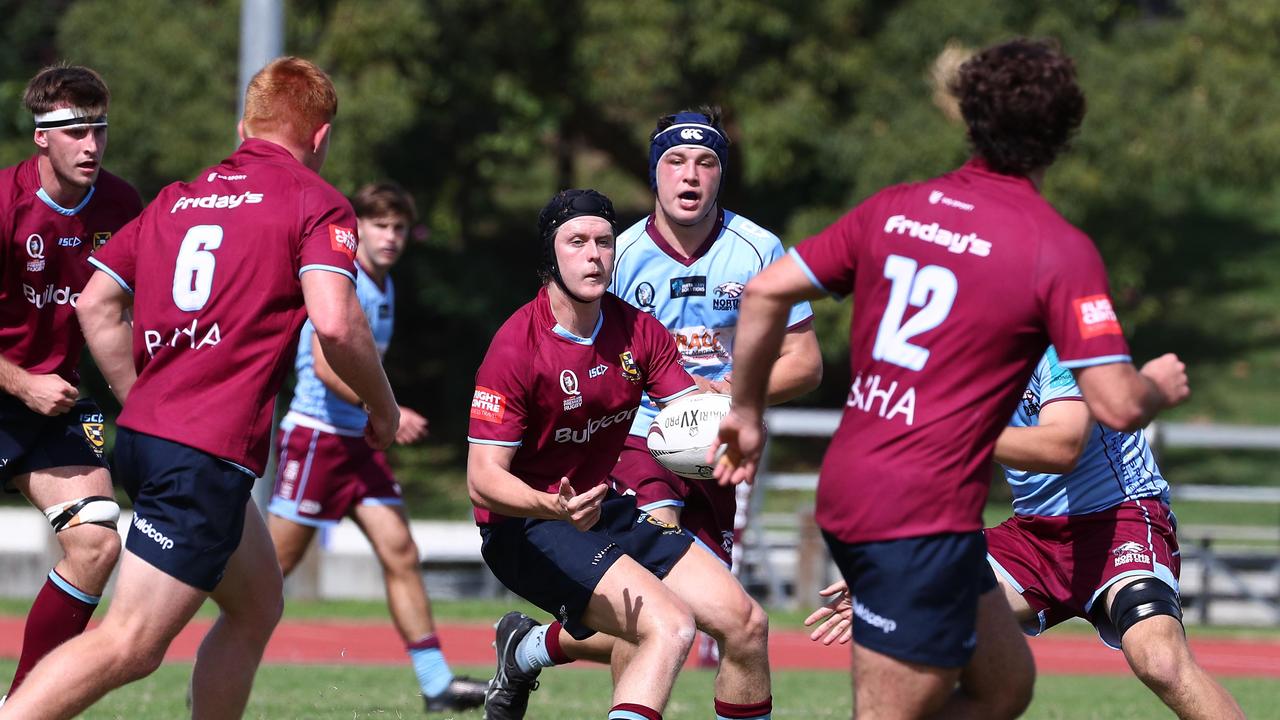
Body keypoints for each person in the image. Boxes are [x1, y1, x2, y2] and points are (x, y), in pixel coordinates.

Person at [711, 38, 1190, 719]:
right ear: (1063, 136)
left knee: (1003, 688)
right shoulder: (1056, 247)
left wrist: (747, 411)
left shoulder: (896, 209)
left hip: (867, 482)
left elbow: (763, 294)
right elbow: (1114, 404)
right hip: (914, 508)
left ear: (968, 122)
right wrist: (1156, 387)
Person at [0, 57, 400, 719]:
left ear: (246, 123)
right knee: (131, 643)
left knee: (255, 604)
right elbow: (335, 319)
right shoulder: (314, 199)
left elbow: (96, 305)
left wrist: (144, 399)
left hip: (158, 435)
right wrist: (381, 406)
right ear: (320, 138)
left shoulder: (175, 198)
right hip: (201, 452)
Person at [485, 107, 822, 717]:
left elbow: (805, 364)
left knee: (732, 623)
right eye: (675, 161)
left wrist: (729, 399)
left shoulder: (758, 250)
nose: (690, 176)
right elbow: (488, 467)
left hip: (709, 440)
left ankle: (530, 648)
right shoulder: (615, 257)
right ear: (653, 174)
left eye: (707, 162)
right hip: (630, 447)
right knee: (662, 620)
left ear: (721, 176)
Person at [805, 347, 1245, 720]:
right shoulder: (943, 360)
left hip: (1118, 520)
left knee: (1160, 662)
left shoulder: (1059, 344)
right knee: (916, 633)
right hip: (1031, 536)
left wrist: (947, 433)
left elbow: (1061, 447)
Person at [267, 181, 486, 711]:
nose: (390, 237)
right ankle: (201, 655)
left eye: (399, 228)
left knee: (401, 553)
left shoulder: (383, 285)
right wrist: (386, 408)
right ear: (357, 227)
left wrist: (376, 411)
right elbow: (323, 367)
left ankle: (436, 684)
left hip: (359, 444)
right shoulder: (346, 280)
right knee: (269, 573)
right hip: (317, 438)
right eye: (379, 226)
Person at [0, 64, 141, 705]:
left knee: (96, 540)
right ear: (41, 138)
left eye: (99, 129)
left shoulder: (121, 205)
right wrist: (22, 383)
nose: (91, 145)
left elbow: (135, 314)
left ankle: (24, 704)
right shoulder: (4, 203)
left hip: (58, 402)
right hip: (12, 386)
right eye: (76, 130)